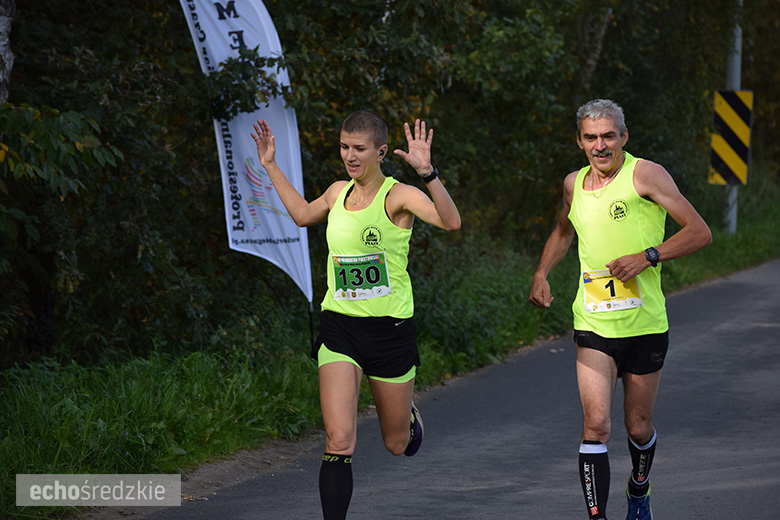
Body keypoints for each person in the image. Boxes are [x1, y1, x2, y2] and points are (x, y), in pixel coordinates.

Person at [251, 110, 460, 520]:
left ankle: (409, 420)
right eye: (345, 146)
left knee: (396, 443)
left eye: (359, 149)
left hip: (390, 331)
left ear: (381, 151)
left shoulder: (399, 195)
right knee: (339, 438)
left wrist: (428, 172)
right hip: (340, 327)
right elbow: (300, 215)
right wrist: (270, 166)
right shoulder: (335, 193)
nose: (350, 155)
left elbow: (451, 222)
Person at [529, 99, 712, 520]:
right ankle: (597, 516)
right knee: (596, 425)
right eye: (591, 137)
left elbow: (699, 232)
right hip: (593, 322)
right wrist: (542, 273)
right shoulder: (573, 184)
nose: (600, 145)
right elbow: (563, 230)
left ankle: (640, 488)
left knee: (637, 427)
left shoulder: (645, 174)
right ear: (579, 141)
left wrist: (648, 255)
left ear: (623, 137)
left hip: (644, 323)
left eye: (609, 135)